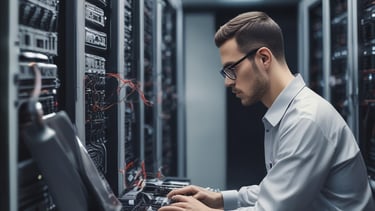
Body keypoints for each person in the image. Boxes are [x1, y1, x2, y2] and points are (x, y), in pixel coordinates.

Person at [158, 11, 375, 211]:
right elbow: (279, 189)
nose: (227, 82)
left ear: (264, 58)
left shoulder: (306, 120)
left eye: (231, 69)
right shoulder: (288, 114)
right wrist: (221, 199)